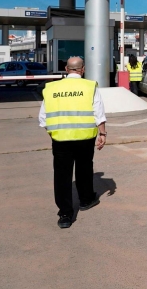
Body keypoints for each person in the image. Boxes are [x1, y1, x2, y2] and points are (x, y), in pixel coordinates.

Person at [38, 57, 107, 229]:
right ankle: (86, 200)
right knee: (84, 168)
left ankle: (65, 215)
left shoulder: (51, 87)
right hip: (85, 137)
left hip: (60, 139)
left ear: (66, 69)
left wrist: (54, 133)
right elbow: (98, 111)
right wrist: (103, 133)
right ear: (82, 69)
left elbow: (43, 118)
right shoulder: (90, 86)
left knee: (62, 176)